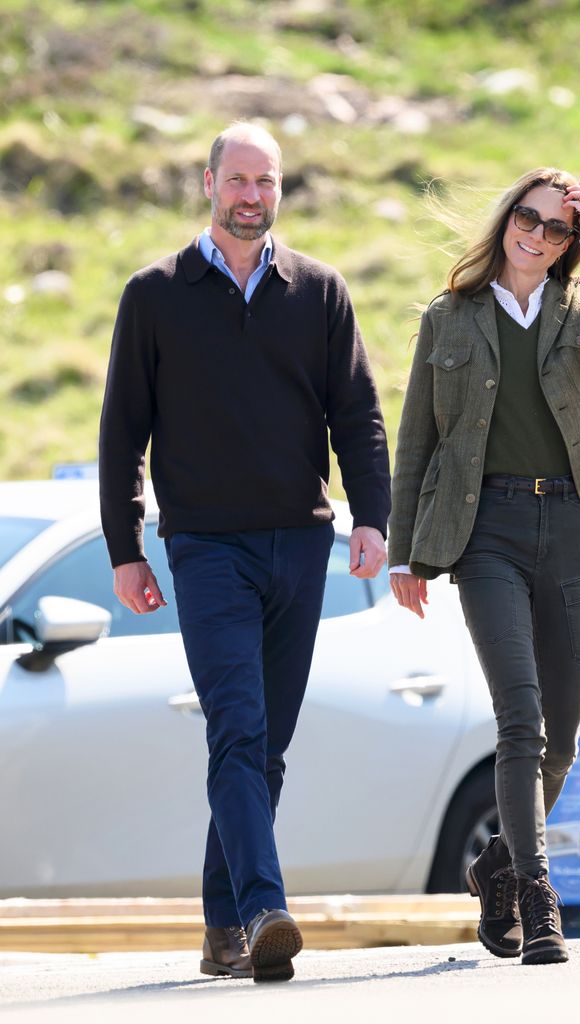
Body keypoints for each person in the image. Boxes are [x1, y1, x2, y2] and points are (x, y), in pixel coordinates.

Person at [99, 122, 390, 983]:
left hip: (301, 542)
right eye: (237, 179)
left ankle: (223, 928)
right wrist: (125, 549)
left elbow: (357, 415)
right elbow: (122, 434)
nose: (251, 196)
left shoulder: (320, 291)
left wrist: (372, 518)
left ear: (279, 189)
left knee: (264, 751)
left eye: (266, 181)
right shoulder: (154, 294)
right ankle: (265, 907)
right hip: (205, 546)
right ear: (208, 183)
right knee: (237, 728)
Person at [388, 169, 580, 965]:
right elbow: (416, 439)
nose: (535, 235)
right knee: (521, 720)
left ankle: (496, 868)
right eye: (526, 218)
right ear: (507, 218)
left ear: (569, 241)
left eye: (555, 228)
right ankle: (538, 897)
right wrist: (405, 551)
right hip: (486, 533)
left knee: (561, 740)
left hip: (571, 525)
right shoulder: (448, 316)